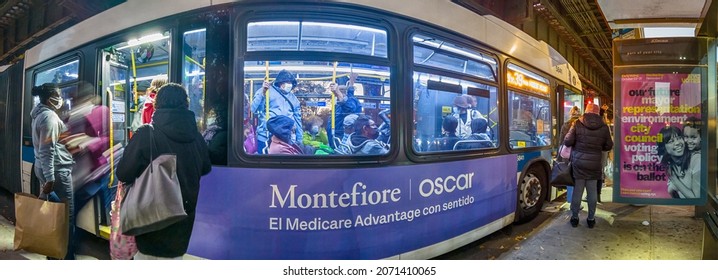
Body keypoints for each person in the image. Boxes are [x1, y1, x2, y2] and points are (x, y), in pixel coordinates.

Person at [116, 83, 211, 259]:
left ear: (156, 105)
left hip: (151, 219)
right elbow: (205, 168)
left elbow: (123, 173)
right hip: (183, 221)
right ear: (187, 105)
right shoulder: (197, 137)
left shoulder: (147, 134)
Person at [30, 83, 76, 259]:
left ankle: (52, 251)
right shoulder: (49, 118)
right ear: (50, 98)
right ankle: (65, 257)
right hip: (57, 172)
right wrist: (50, 179)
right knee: (67, 216)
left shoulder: (38, 114)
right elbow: (46, 150)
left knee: (54, 213)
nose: (61, 97)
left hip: (45, 168)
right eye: (58, 94)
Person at [563, 103, 613, 228]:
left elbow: (568, 141)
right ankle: (591, 219)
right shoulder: (604, 126)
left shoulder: (577, 123)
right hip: (594, 163)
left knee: (577, 191)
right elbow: (609, 146)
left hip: (578, 163)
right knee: (592, 192)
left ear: (586, 111)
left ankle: (575, 218)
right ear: (597, 112)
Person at [251, 69, 303, 154]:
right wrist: (263, 94)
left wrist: (299, 139)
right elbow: (253, 109)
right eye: (286, 82)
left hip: (286, 138)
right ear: (279, 82)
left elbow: (298, 120)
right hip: (266, 135)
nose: (288, 84)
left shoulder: (294, 99)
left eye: (290, 82)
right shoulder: (266, 91)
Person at [658, 126, 700, 199]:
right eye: (671, 141)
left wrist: (674, 180)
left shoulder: (696, 159)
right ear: (664, 148)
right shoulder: (671, 166)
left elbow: (696, 199)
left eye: (679, 138)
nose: (677, 143)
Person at [558, 106, 581, 205]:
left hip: (567, 155)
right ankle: (576, 203)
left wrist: (559, 157)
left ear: (571, 114)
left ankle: (570, 199)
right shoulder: (582, 125)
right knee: (578, 179)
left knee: (569, 177)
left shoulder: (566, 125)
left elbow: (561, 141)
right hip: (579, 155)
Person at [329, 73, 362, 139]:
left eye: (342, 90)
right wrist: (351, 82)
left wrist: (338, 93)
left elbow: (349, 109)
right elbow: (350, 93)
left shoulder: (351, 101)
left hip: (341, 136)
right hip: (333, 135)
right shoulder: (337, 104)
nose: (337, 94)